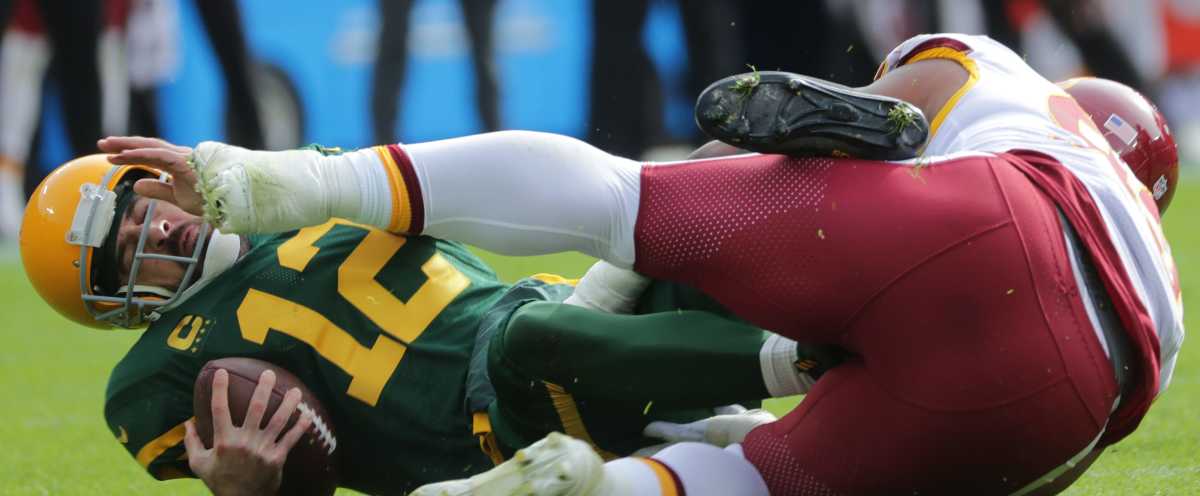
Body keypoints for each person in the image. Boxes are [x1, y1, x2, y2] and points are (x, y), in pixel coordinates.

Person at [104, 31, 1184, 494]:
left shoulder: (1026, 104)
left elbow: (907, 109)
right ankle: (638, 456)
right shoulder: (1169, 289)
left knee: (621, 199)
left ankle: (289, 179)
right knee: (759, 466)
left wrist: (794, 150)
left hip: (991, 224)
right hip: (1077, 401)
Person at [18, 146, 850, 494]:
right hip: (490, 422)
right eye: (121, 243)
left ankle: (886, 274)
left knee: (702, 187)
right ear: (103, 301)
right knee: (534, 345)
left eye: (140, 203)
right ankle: (804, 363)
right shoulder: (162, 375)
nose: (154, 225)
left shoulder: (287, 185)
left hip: (568, 310)